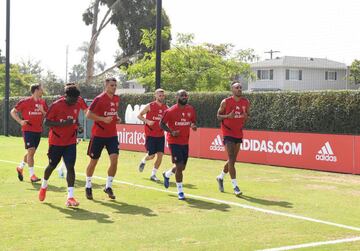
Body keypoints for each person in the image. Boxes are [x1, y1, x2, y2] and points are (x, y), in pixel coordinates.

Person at [38, 86, 82, 207]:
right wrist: (62, 124)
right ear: (66, 96)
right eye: (73, 99)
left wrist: (78, 125)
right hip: (56, 142)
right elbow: (46, 122)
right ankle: (43, 186)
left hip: (70, 141)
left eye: (76, 99)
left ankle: (70, 197)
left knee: (70, 167)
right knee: (52, 166)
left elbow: (75, 118)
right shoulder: (56, 105)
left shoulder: (77, 104)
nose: (75, 102)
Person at [84, 77, 121, 200]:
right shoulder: (99, 99)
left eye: (115, 85)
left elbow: (113, 113)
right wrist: (103, 119)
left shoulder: (116, 98)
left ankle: (108, 186)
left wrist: (116, 118)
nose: (114, 87)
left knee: (114, 160)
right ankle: (88, 186)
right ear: (106, 86)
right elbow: (88, 115)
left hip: (112, 135)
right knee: (93, 162)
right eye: (112, 85)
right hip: (98, 135)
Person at [160, 90, 197, 200]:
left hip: (185, 142)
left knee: (182, 167)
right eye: (182, 95)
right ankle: (180, 191)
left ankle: (167, 174)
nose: (185, 97)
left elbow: (192, 121)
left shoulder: (190, 109)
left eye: (186, 95)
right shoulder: (170, 111)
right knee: (180, 167)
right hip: (174, 142)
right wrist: (171, 132)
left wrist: (193, 125)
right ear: (177, 97)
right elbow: (161, 124)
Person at [216, 81, 250, 196]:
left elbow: (246, 117)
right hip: (227, 132)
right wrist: (227, 116)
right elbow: (218, 116)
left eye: (240, 87)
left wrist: (246, 117)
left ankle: (220, 177)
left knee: (233, 160)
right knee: (231, 157)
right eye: (237, 87)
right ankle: (235, 186)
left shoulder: (246, 102)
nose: (239, 89)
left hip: (238, 133)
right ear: (232, 90)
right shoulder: (226, 102)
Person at [10, 83, 47, 183]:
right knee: (31, 151)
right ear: (36, 90)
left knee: (31, 152)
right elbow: (13, 111)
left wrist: (42, 111)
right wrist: (20, 121)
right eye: (41, 89)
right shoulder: (25, 102)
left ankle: (20, 167)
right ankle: (32, 175)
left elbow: (49, 115)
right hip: (28, 130)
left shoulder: (43, 102)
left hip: (38, 131)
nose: (42, 90)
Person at [57, 82, 88, 178]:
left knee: (69, 151)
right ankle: (62, 168)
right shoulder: (61, 100)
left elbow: (86, 110)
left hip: (73, 129)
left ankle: (64, 170)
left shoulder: (79, 100)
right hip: (61, 130)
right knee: (63, 151)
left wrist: (79, 125)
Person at [137, 88, 168, 181]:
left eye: (162, 95)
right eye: (159, 95)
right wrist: (147, 121)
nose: (161, 97)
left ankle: (153, 174)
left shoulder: (166, 107)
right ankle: (143, 160)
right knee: (151, 156)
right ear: (155, 95)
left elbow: (169, 119)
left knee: (160, 155)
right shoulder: (150, 105)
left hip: (161, 135)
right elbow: (139, 115)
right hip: (150, 134)